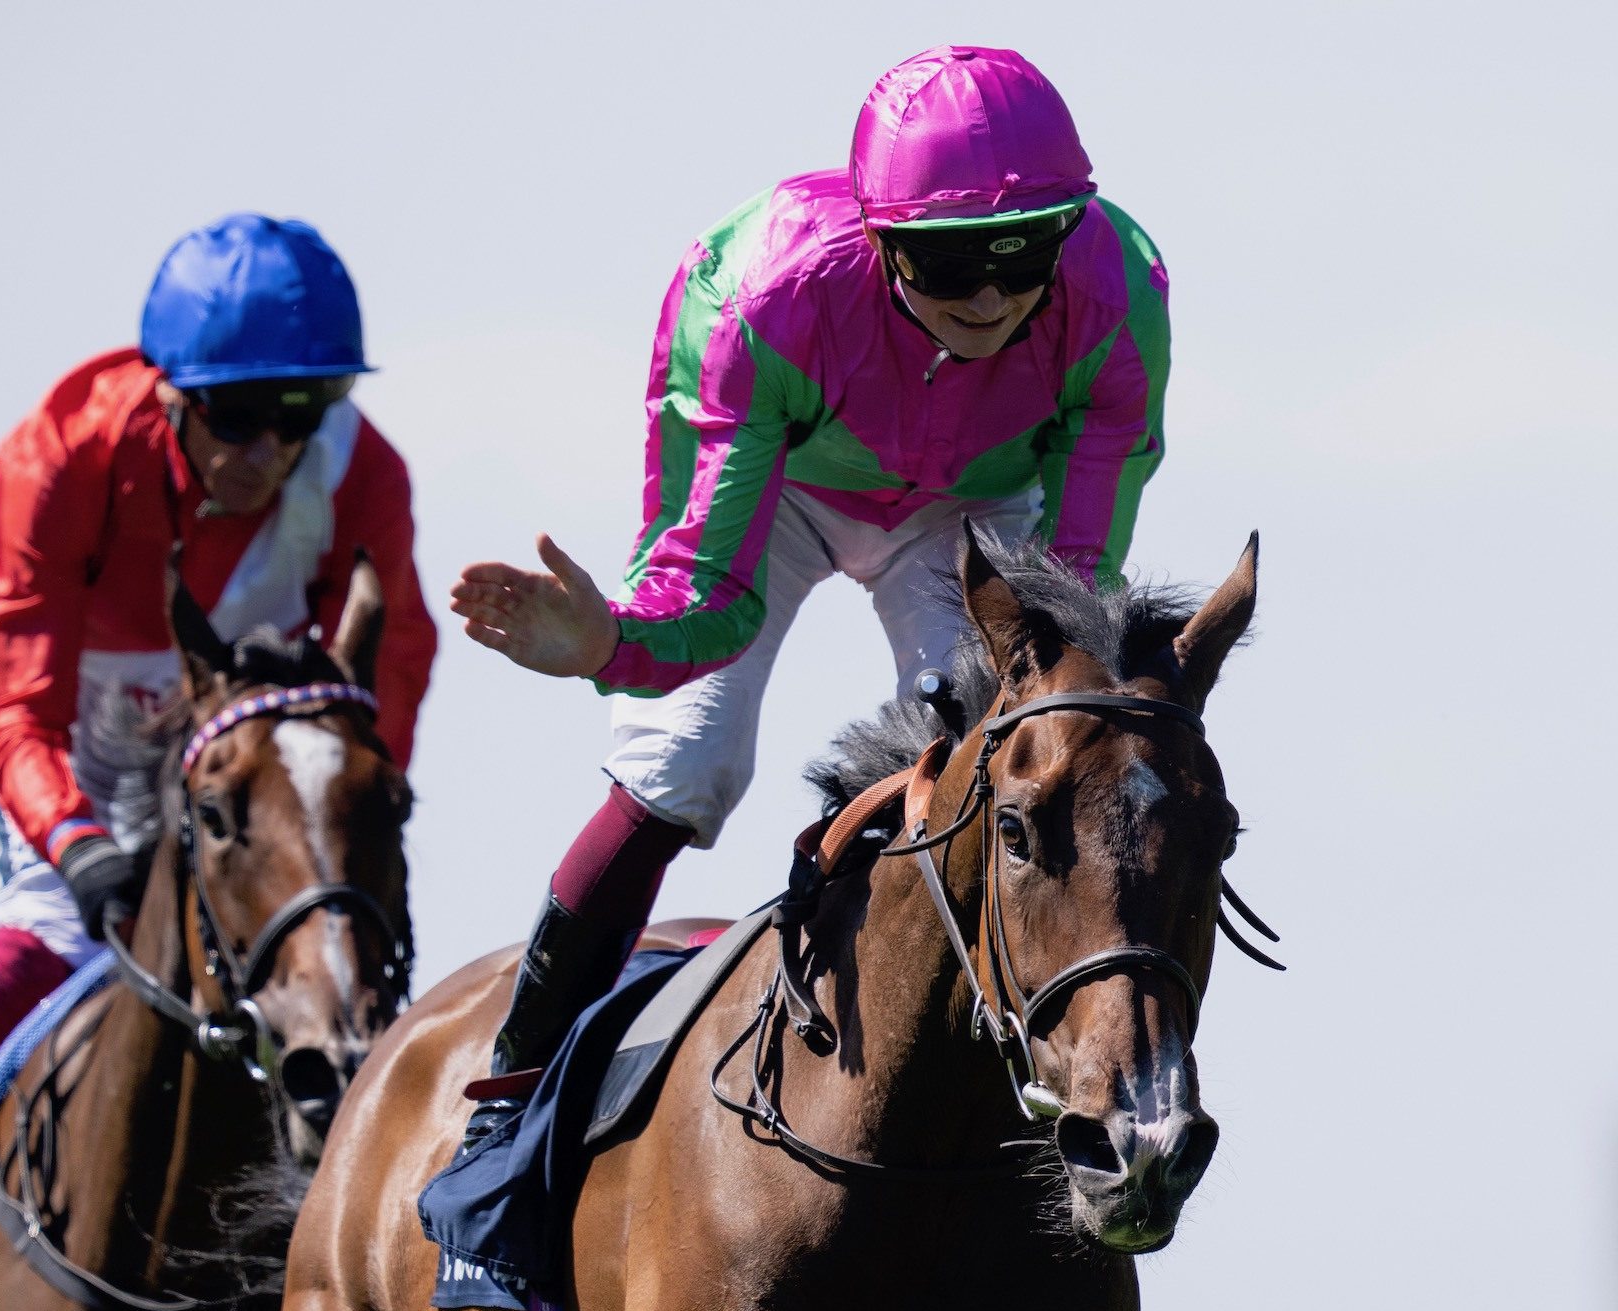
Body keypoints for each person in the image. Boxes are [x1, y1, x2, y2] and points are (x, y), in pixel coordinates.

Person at [447, 46, 1170, 1145]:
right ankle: (513, 1097)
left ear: (1072, 227)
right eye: (944, 260)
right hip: (781, 484)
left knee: (1011, 745)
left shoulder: (1119, 296)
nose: (985, 293)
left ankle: (1018, 1084)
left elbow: (1065, 608)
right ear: (881, 241)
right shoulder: (762, 297)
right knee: (686, 763)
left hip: (966, 513)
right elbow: (712, 598)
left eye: (1022, 254)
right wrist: (609, 643)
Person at [0, 213, 438, 1311]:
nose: (269, 449)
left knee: (329, 943)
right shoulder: (61, 453)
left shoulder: (366, 473)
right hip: (85, 727)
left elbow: (389, 660)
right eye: (238, 414)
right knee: (50, 936)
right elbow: (13, 695)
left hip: (256, 728)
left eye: (302, 412)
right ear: (169, 392)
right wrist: (74, 842)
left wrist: (347, 815)